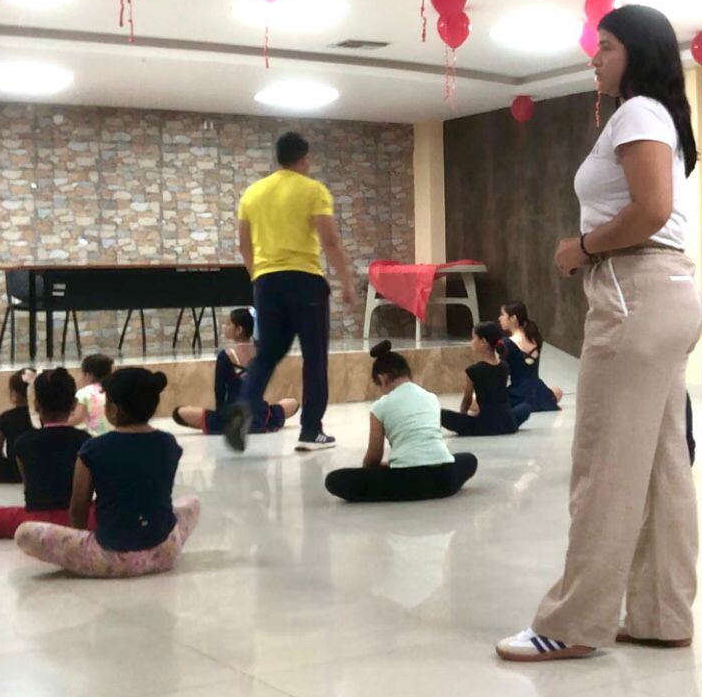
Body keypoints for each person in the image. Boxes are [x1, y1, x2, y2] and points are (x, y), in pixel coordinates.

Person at [497, 3, 702, 664]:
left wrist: (580, 247)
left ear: (638, 53)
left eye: (607, 45)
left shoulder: (638, 111)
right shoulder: (656, 115)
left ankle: (574, 622)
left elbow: (651, 209)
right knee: (662, 466)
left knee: (604, 463)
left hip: (633, 292)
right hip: (664, 292)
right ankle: (661, 613)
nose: (595, 57)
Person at [231, 130, 357, 453]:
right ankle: (311, 431)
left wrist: (258, 278)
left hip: (266, 282)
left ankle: (242, 405)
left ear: (278, 157)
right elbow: (330, 241)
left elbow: (243, 245)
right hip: (305, 282)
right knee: (314, 357)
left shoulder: (252, 193)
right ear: (304, 158)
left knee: (267, 354)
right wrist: (346, 282)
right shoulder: (313, 190)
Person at [15, 368, 200, 578]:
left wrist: (79, 537)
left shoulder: (93, 448)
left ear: (112, 408)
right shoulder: (169, 443)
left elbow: (78, 507)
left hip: (111, 558)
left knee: (24, 533)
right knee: (192, 503)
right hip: (165, 551)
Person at [325, 340, 478, 502]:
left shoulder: (380, 406)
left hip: (406, 481)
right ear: (408, 374)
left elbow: (374, 457)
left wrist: (371, 471)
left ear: (382, 379)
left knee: (334, 479)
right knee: (468, 459)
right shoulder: (431, 398)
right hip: (444, 479)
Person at [0, 367, 91, 538]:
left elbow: (29, 487)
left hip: (35, 519)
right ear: (74, 404)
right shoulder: (86, 441)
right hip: (79, 518)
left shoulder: (23, 442)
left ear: (37, 405)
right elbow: (84, 494)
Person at [172, 306, 300, 438]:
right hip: (260, 413)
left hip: (232, 415)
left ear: (239, 330)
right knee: (293, 403)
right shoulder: (261, 353)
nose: (225, 327)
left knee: (180, 412)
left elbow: (219, 390)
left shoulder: (225, 356)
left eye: (228, 324)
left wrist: (220, 415)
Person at [440, 324, 531, 436]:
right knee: (525, 407)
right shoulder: (504, 366)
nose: (471, 342)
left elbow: (467, 400)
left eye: (474, 338)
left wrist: (462, 418)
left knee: (440, 414)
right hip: (508, 423)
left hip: (485, 426)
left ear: (483, 342)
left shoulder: (473, 370)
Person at [498, 301, 563, 412]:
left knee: (478, 400)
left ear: (513, 318)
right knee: (557, 391)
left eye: (502, 315)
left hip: (518, 394)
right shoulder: (535, 338)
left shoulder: (506, 343)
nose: (499, 318)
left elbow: (500, 373)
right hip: (538, 392)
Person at [0, 367, 34, 483]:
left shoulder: (5, 418)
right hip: (37, 470)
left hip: (13, 471)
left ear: (15, 392)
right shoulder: (40, 416)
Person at [73, 353, 115, 437]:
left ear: (88, 375)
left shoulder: (84, 393)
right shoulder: (115, 389)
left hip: (95, 437)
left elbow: (78, 418)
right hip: (115, 435)